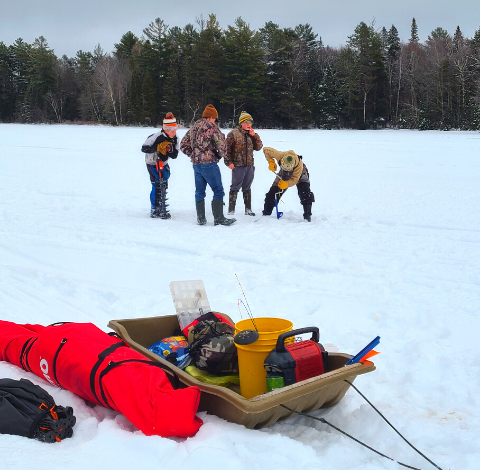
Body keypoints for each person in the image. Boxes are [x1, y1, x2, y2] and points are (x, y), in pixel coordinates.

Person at [180, 104, 236, 226]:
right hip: (209, 164)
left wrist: (193, 155)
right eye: (214, 118)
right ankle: (219, 219)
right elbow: (222, 147)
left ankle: (201, 219)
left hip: (196, 165)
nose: (215, 120)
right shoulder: (212, 128)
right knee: (218, 190)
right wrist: (218, 155)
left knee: (199, 191)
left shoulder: (194, 128)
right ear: (211, 117)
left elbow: (183, 144)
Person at [225, 111, 263, 216]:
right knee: (235, 187)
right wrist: (228, 162)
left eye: (250, 122)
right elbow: (226, 149)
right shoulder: (233, 134)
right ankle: (231, 210)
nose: (249, 125)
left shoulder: (252, 135)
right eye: (246, 122)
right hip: (237, 165)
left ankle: (248, 209)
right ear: (241, 123)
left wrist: (255, 136)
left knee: (247, 186)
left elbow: (259, 147)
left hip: (249, 165)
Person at [262, 147, 315, 222]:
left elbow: (294, 179)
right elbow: (266, 150)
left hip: (299, 174)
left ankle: (307, 216)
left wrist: (286, 184)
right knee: (273, 192)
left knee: (305, 192)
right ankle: (266, 214)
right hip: (283, 173)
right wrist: (271, 162)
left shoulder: (298, 167)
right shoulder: (280, 155)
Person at [141, 112, 179, 219]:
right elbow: (144, 148)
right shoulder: (156, 137)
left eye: (175, 129)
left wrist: (169, 150)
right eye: (171, 130)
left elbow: (175, 155)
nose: (174, 132)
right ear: (166, 129)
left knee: (164, 185)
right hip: (152, 163)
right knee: (156, 185)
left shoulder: (175, 139)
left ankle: (162, 205)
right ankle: (155, 208)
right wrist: (158, 147)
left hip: (164, 164)